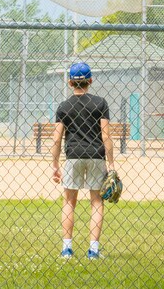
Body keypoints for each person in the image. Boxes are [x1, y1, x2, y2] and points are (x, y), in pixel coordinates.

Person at [51, 62, 115, 260]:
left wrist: (54, 164)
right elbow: (106, 136)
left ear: (70, 82)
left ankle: (67, 249)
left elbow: (57, 138)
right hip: (96, 155)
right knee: (97, 202)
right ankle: (93, 250)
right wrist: (111, 163)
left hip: (73, 156)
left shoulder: (64, 107)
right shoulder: (100, 103)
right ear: (91, 81)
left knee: (69, 201)